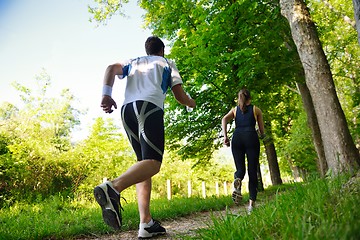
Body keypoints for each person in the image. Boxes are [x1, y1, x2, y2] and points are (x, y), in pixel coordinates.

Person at [94, 36, 196, 238]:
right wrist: (191, 103)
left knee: (143, 165)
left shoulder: (133, 62)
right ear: (162, 50)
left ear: (147, 50)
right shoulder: (167, 63)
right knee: (153, 163)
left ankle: (146, 224)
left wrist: (106, 94)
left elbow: (110, 68)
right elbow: (179, 95)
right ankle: (113, 188)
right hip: (148, 107)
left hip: (127, 111)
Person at [221, 88, 265, 214]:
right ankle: (251, 204)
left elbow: (224, 119)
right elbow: (262, 131)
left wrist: (225, 136)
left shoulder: (235, 110)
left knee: (240, 169)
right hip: (251, 137)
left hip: (237, 138)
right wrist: (263, 135)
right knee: (252, 171)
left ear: (239, 98)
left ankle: (238, 181)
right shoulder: (256, 109)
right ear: (250, 98)